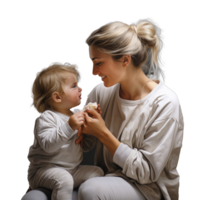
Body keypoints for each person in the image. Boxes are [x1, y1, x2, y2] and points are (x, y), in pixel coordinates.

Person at [21, 18, 186, 200]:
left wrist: (103, 133)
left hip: (146, 187)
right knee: (33, 198)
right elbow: (79, 147)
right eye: (91, 62)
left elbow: (146, 173)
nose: (92, 71)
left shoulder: (165, 103)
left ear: (124, 60)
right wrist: (43, 174)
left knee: (92, 189)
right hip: (99, 175)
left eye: (98, 62)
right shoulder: (100, 92)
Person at [22, 61, 104, 200]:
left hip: (72, 170)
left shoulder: (77, 114)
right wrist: (69, 126)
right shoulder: (47, 118)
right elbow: (48, 145)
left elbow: (85, 146)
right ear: (57, 97)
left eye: (78, 84)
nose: (81, 88)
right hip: (43, 171)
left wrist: (92, 130)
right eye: (73, 86)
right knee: (64, 180)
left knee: (97, 172)